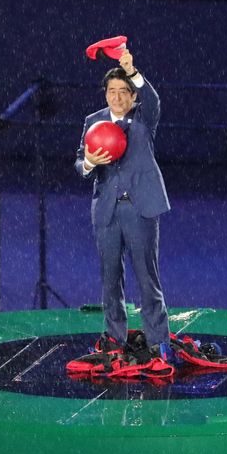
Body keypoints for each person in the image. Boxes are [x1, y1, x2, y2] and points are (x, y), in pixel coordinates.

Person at [74, 49, 172, 360]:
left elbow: (153, 100)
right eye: (111, 92)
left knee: (147, 277)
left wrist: (132, 71)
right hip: (107, 210)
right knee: (109, 278)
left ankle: (158, 341)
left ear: (131, 95)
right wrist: (88, 163)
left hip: (140, 208)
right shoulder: (94, 121)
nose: (116, 98)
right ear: (105, 94)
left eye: (123, 92)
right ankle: (114, 339)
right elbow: (79, 162)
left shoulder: (144, 117)